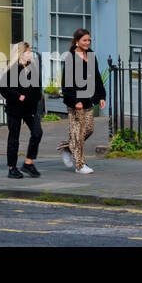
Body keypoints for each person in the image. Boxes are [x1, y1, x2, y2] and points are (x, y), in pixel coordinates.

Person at [57, 28, 105, 174]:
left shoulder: (90, 55)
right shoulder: (71, 58)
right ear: (77, 41)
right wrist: (75, 100)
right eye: (84, 40)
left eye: (89, 40)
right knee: (78, 132)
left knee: (89, 129)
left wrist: (101, 95)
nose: (87, 43)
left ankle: (67, 148)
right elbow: (67, 83)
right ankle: (80, 165)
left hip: (88, 99)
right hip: (75, 102)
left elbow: (96, 76)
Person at [0, 42, 43, 179]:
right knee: (14, 138)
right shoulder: (13, 70)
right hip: (15, 109)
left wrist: (37, 97)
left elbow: (37, 87)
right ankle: (12, 168)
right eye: (28, 52)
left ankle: (28, 163)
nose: (31, 55)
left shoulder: (32, 67)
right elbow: (2, 88)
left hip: (30, 109)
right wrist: (18, 96)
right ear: (21, 54)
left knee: (37, 133)